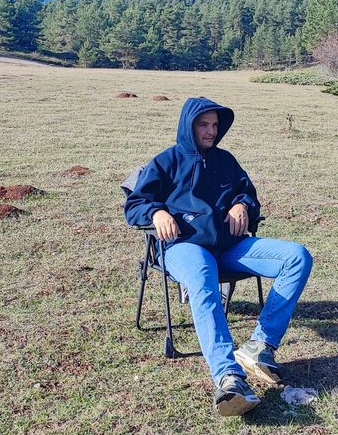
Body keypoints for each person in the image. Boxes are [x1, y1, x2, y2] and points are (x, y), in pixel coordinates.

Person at [124, 96, 313, 416]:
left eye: (215, 125)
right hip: (185, 247)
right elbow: (134, 206)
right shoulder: (166, 162)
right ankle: (229, 377)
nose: (211, 131)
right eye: (203, 125)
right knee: (202, 276)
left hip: (228, 247)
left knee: (297, 256)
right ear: (189, 126)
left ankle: (260, 346)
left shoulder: (226, 161)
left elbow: (247, 194)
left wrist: (242, 205)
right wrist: (156, 212)